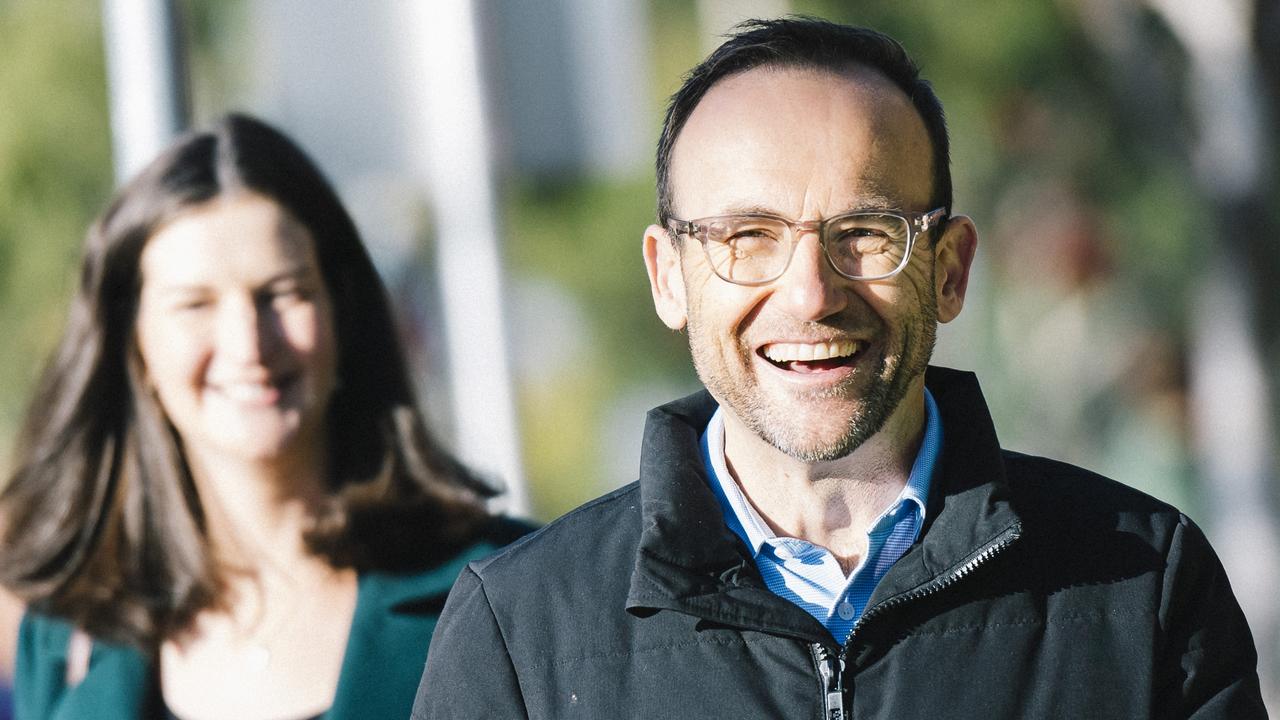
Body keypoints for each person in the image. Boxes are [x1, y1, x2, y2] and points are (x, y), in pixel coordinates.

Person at [413, 17, 1266, 719]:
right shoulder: (522, 633)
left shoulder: (1140, 590)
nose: (811, 294)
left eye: (864, 233)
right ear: (668, 277)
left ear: (950, 267)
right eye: (748, 237)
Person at [0, 114, 526, 719]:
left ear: (340, 313)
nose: (249, 343)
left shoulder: (507, 586)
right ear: (134, 346)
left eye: (282, 293)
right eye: (194, 304)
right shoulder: (67, 636)